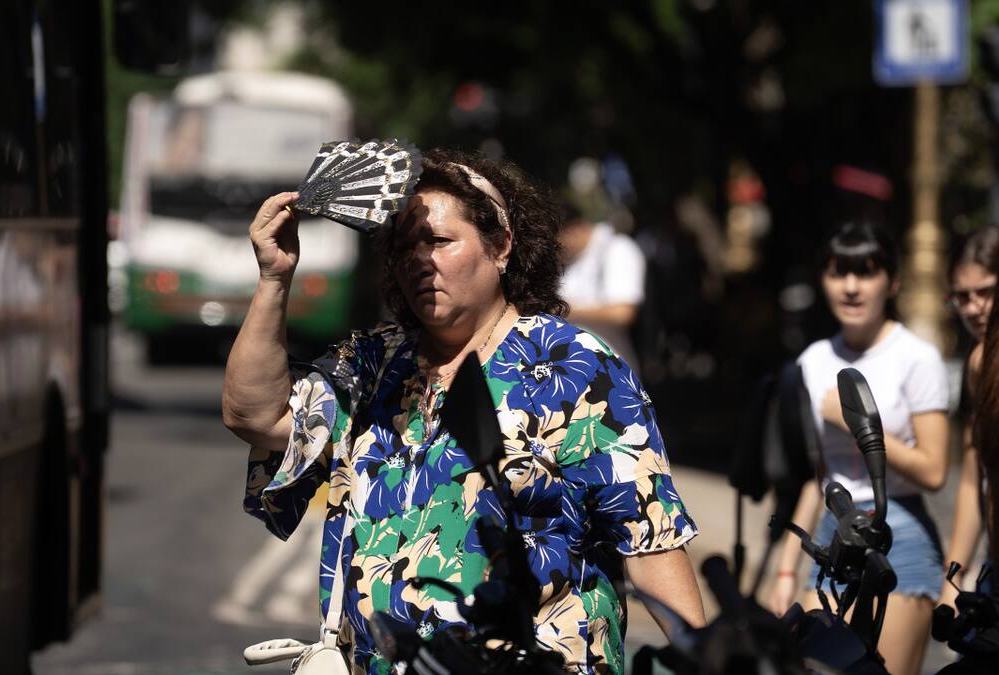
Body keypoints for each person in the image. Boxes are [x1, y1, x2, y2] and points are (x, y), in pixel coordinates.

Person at [224, 149, 705, 674]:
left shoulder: (575, 367)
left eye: (439, 241)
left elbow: (651, 538)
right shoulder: (372, 365)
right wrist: (274, 279)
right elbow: (255, 417)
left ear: (501, 247)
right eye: (404, 245)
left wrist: (707, 660)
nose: (419, 260)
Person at [767, 222, 950, 675]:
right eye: (837, 273)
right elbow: (819, 477)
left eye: (866, 272)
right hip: (830, 534)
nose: (851, 287)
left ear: (893, 281)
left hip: (897, 533)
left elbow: (934, 470)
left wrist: (857, 428)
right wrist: (786, 569)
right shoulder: (813, 360)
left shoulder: (917, 356)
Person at [940, 226, 999, 610]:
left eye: (987, 292)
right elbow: (971, 474)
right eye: (962, 297)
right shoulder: (979, 362)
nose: (974, 308)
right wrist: (956, 573)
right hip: (998, 568)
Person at [558, 204, 646, 370]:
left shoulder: (617, 248)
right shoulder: (570, 261)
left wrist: (562, 310)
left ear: (575, 229)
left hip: (611, 372)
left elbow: (623, 312)